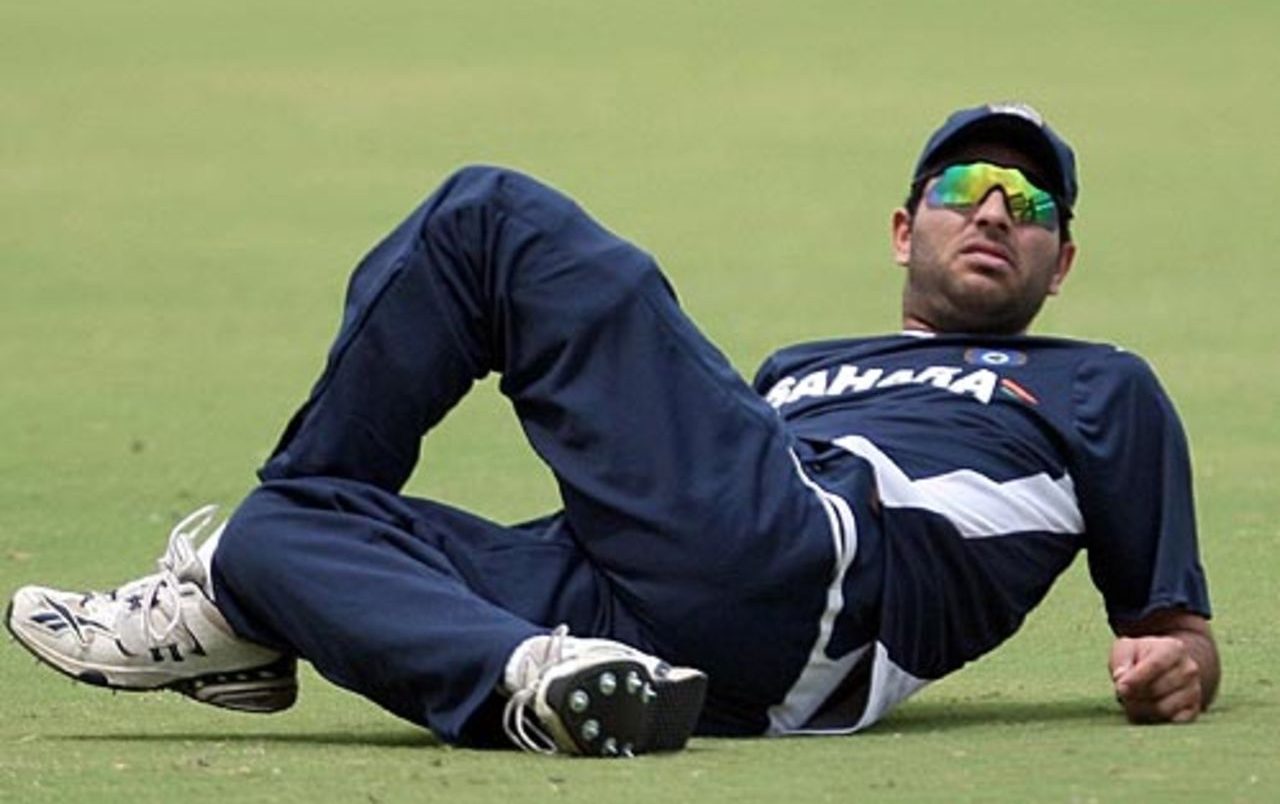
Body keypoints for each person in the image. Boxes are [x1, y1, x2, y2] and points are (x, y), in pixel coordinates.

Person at [7, 102, 1219, 757]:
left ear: (1061, 262)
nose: (993, 211)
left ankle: (232, 600)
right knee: (277, 528)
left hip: (821, 568)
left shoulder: (1096, 385)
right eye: (961, 189)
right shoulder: (798, 368)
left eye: (1029, 202)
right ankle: (519, 674)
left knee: (489, 218)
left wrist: (1175, 663)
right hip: (668, 635)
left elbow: (1173, 628)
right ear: (903, 230)